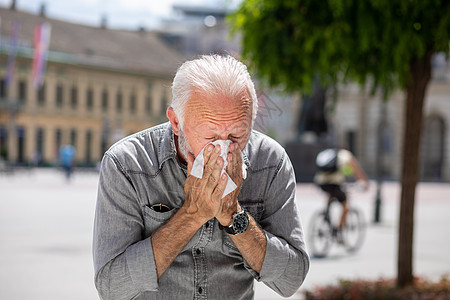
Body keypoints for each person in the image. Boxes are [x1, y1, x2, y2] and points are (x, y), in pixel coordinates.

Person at [93, 55, 309, 299]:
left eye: (238, 135)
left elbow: (291, 279)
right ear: (176, 122)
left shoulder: (269, 162)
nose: (224, 149)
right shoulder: (127, 164)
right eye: (211, 136)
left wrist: (234, 215)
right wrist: (192, 215)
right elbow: (112, 287)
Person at [314, 148, 369, 235]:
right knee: (345, 206)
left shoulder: (332, 155)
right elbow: (357, 171)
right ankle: (338, 230)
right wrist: (365, 182)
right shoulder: (346, 155)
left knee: (331, 194)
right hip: (334, 184)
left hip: (321, 183)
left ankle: (326, 215)